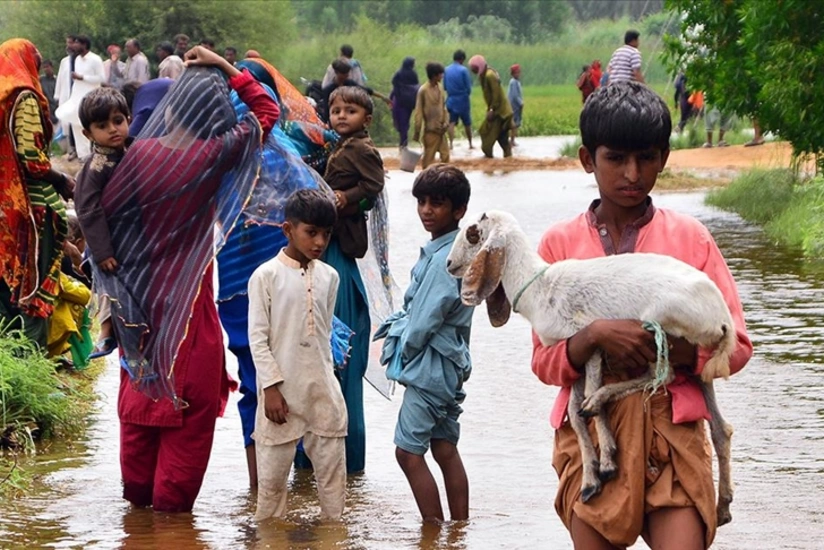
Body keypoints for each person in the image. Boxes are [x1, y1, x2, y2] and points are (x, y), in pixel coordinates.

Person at [531, 81, 752, 549]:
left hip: (674, 427)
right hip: (593, 433)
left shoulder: (690, 240)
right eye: (616, 159)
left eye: (647, 158)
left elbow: (737, 348)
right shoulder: (558, 247)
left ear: (664, 158)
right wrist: (591, 337)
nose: (632, 173)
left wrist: (668, 349)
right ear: (588, 159)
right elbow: (544, 362)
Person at [94, 45, 280, 512]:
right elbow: (265, 110)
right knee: (179, 468)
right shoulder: (214, 154)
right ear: (215, 117)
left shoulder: (133, 156)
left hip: (139, 311)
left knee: (137, 445)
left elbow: (96, 208)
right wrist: (224, 66)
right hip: (190, 317)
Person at [373, 163, 473, 523]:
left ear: (458, 211)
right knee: (444, 447)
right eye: (423, 202)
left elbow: (422, 322)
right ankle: (459, 532)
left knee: (407, 453)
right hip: (450, 366)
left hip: (431, 369)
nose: (427, 211)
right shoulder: (455, 252)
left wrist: (405, 354)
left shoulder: (446, 259)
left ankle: (433, 532)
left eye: (438, 204)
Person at [248, 189, 347, 521]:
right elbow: (257, 340)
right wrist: (271, 387)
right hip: (281, 395)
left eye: (326, 234)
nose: (319, 242)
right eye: (311, 232)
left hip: (322, 390)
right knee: (272, 491)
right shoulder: (266, 276)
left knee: (334, 488)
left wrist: (330, 382)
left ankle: (333, 541)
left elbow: (324, 335)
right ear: (288, 230)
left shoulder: (330, 277)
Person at [323, 86, 385, 473]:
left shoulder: (362, 149)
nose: (341, 116)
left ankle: (348, 462)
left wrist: (345, 199)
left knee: (340, 354)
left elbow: (373, 190)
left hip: (343, 244)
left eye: (350, 111)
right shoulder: (338, 145)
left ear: (366, 118)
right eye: (336, 110)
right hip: (334, 242)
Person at [0, 38, 75, 348]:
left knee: (7, 287)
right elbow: (32, 161)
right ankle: (31, 361)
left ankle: (9, 360)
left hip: (5, 203)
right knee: (33, 286)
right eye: (36, 59)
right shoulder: (25, 98)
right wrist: (61, 179)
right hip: (30, 208)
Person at [74, 87, 133, 359]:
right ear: (87, 134)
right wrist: (102, 251)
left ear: (129, 119)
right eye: (102, 125)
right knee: (110, 288)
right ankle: (106, 334)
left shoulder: (132, 151)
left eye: (118, 121)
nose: (113, 129)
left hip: (131, 237)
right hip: (106, 244)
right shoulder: (96, 165)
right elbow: (87, 209)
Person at [47, 215, 93, 368]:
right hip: (49, 316)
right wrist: (79, 261)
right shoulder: (65, 259)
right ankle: (52, 355)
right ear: (78, 242)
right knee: (77, 308)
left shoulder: (51, 254)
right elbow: (86, 295)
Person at [62, 35, 105, 160]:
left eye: (76, 43)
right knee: (77, 125)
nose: (74, 46)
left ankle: (99, 154)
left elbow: (102, 78)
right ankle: (83, 156)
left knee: (94, 126)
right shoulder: (77, 60)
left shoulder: (95, 59)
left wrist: (83, 77)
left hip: (92, 99)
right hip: (77, 98)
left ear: (84, 45)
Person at [468, 55, 513, 159]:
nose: (473, 71)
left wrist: (492, 109)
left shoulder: (489, 76)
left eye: (474, 68)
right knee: (502, 136)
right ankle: (508, 159)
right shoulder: (484, 76)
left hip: (500, 112)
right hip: (499, 111)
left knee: (485, 132)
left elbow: (496, 94)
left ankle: (488, 157)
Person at [319, 59, 390, 124]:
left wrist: (383, 97)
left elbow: (366, 90)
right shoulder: (328, 90)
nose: (347, 75)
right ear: (337, 73)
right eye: (344, 74)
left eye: (347, 73)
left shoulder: (349, 83)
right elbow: (327, 110)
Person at [413, 62, 449, 169]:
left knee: (445, 156)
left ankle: (445, 179)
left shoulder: (440, 88)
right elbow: (418, 113)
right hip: (430, 132)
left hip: (441, 131)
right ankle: (426, 181)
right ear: (434, 75)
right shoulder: (423, 90)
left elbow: (444, 107)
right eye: (440, 74)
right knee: (428, 160)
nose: (442, 76)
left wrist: (446, 122)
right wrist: (417, 131)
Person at [443, 49, 473, 150]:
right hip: (463, 99)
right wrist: (465, 94)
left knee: (451, 122)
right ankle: (470, 143)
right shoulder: (463, 70)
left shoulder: (446, 70)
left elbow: (445, 87)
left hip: (451, 99)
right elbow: (468, 88)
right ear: (462, 59)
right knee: (467, 123)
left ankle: (451, 144)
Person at [54, 35, 77, 156]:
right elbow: (60, 80)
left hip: (78, 98)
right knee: (67, 124)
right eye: (67, 43)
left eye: (71, 43)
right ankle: (71, 149)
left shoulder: (83, 60)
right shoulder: (64, 61)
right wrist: (58, 96)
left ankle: (80, 150)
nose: (68, 45)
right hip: (65, 97)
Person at [390, 57, 419, 148]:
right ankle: (404, 141)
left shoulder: (398, 73)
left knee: (398, 120)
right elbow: (416, 88)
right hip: (409, 103)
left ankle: (403, 141)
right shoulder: (414, 74)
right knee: (405, 121)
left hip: (398, 101)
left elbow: (394, 86)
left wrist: (391, 98)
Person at [508, 64, 523, 147]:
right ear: (513, 74)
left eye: (519, 72)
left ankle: (512, 140)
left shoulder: (516, 82)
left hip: (516, 106)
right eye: (516, 73)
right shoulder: (513, 82)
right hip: (514, 106)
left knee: (516, 123)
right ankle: (512, 141)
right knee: (514, 124)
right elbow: (514, 95)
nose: (518, 74)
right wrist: (521, 103)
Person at [39, 59, 58, 123]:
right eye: (44, 67)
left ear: (51, 67)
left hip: (56, 109)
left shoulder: (57, 81)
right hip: (46, 110)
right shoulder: (41, 80)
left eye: (47, 67)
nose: (45, 69)